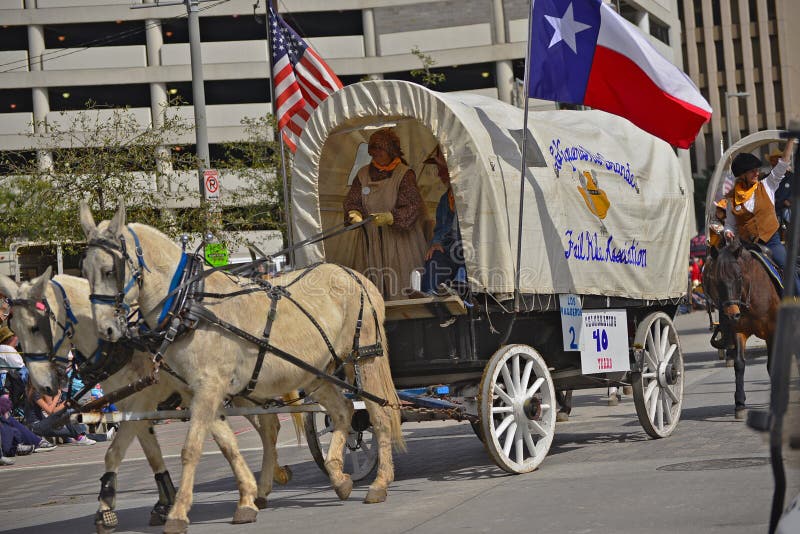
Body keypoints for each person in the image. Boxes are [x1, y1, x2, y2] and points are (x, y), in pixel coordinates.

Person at [343, 128, 428, 300]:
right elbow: (352, 200)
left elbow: (413, 204)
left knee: (401, 285)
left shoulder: (404, 174)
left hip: (400, 241)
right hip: (370, 242)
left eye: (380, 150)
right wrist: (353, 213)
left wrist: (392, 217)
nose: (376, 155)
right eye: (373, 151)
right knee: (369, 292)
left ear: (391, 150)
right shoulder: (363, 174)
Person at [724, 137, 798, 287]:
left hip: (771, 242)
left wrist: (790, 141)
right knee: (729, 276)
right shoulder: (732, 199)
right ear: (742, 175)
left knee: (788, 269)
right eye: (752, 171)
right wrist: (727, 232)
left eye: (757, 169)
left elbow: (783, 164)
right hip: (746, 247)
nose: (757, 173)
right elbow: (729, 225)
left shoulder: (767, 185)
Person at [420, 145, 465, 295]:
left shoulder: (470, 196)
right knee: (434, 257)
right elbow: (440, 228)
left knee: (466, 258)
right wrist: (436, 243)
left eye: (442, 168)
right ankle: (429, 294)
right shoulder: (445, 199)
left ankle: (459, 290)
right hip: (450, 248)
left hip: (468, 250)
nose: (439, 174)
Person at [0, 394, 56, 461]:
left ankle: (16, 447)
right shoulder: (36, 394)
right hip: (36, 425)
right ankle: (36, 442)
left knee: (9, 423)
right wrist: (60, 399)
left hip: (40, 424)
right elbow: (50, 411)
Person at [769, 147, 794, 239]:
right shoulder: (767, 178)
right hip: (771, 210)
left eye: (776, 160)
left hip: (787, 209)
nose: (774, 163)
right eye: (772, 160)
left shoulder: (792, 177)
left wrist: (788, 201)